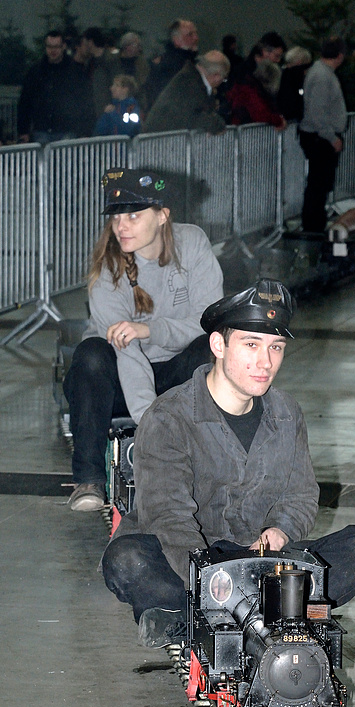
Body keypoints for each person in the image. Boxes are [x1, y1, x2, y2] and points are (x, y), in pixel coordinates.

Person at [100, 279, 355, 648]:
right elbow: (169, 518)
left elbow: (301, 496)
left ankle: (215, 613)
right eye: (251, 345)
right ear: (218, 345)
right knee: (126, 559)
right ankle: (206, 608)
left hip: (262, 562)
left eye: (276, 348)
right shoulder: (168, 417)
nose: (265, 362)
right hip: (187, 560)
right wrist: (214, 582)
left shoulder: (286, 412)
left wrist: (280, 532)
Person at [63, 168, 223, 513]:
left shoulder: (192, 243)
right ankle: (88, 479)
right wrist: (150, 424)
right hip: (119, 379)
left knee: (210, 350)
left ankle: (215, 469)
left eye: (133, 216)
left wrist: (151, 329)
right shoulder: (109, 269)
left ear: (163, 216)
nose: (121, 227)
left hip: (176, 375)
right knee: (91, 353)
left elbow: (209, 319)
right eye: (117, 217)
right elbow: (128, 354)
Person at [298, 37, 348, 234]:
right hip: (320, 138)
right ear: (340, 56)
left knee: (320, 182)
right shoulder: (322, 76)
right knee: (318, 183)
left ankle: (315, 221)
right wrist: (331, 137)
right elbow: (317, 112)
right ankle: (313, 225)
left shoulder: (322, 73)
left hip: (320, 135)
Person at [17, 29, 94, 143]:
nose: (53, 50)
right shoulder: (35, 71)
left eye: (56, 47)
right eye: (50, 47)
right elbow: (25, 101)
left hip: (67, 130)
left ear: (63, 46)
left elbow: (85, 101)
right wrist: (23, 130)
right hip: (42, 129)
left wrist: (84, 131)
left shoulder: (76, 72)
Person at [142, 51, 229, 134]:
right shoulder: (190, 84)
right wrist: (217, 125)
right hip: (160, 142)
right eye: (224, 79)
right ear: (216, 76)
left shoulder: (190, 79)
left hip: (162, 139)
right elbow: (193, 117)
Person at [142, 18, 199, 111]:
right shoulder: (172, 65)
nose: (196, 38)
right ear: (176, 40)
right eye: (190, 35)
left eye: (196, 33)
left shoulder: (190, 62)